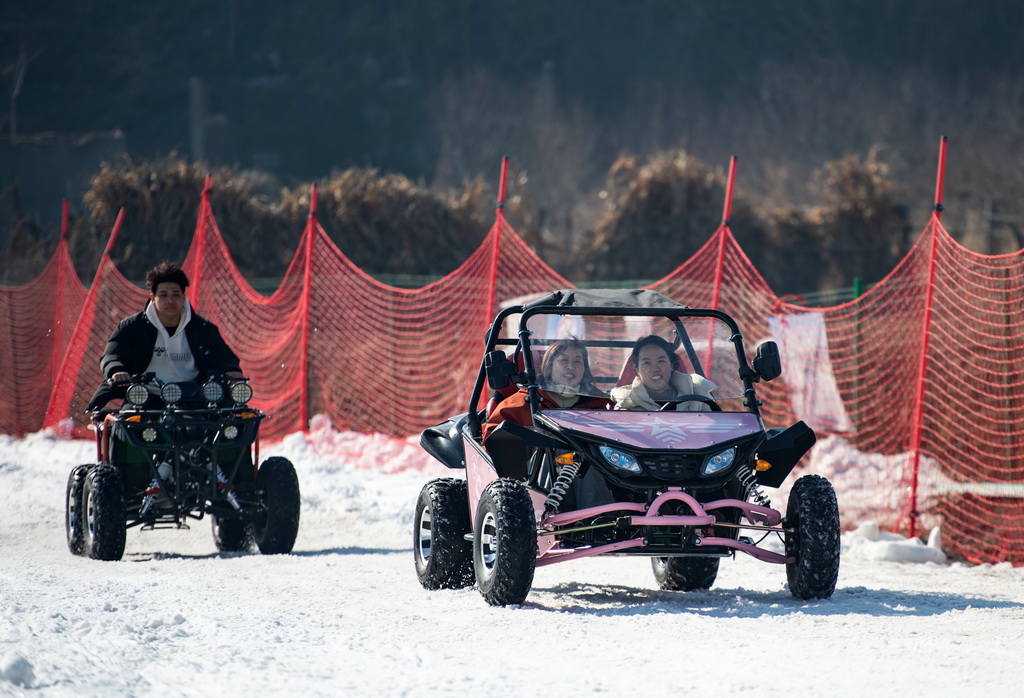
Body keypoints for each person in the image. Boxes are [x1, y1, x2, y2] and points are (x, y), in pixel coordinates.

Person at [85, 261, 243, 411]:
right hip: (146, 396)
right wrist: (116, 370)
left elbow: (223, 356)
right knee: (126, 425)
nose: (170, 300)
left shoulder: (203, 329)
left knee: (232, 421)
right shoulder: (132, 327)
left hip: (196, 396)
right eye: (163, 295)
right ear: (153, 298)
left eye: (175, 295)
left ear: (183, 296)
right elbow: (112, 354)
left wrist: (231, 370)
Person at [482, 338, 608, 441]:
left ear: (585, 369)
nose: (570, 366)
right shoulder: (520, 406)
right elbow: (493, 445)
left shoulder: (602, 407)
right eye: (563, 360)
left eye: (578, 362)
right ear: (549, 366)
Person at [611, 335, 717, 411]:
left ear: (671, 365)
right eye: (647, 363)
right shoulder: (626, 403)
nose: (654, 369)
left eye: (661, 361)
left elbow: (718, 430)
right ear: (637, 370)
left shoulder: (698, 393)